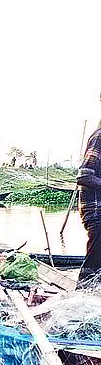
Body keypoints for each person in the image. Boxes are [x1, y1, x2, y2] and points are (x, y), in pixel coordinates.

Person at [76, 122, 101, 290]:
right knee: (92, 265)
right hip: (97, 211)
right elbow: (84, 176)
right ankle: (81, 297)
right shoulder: (99, 137)